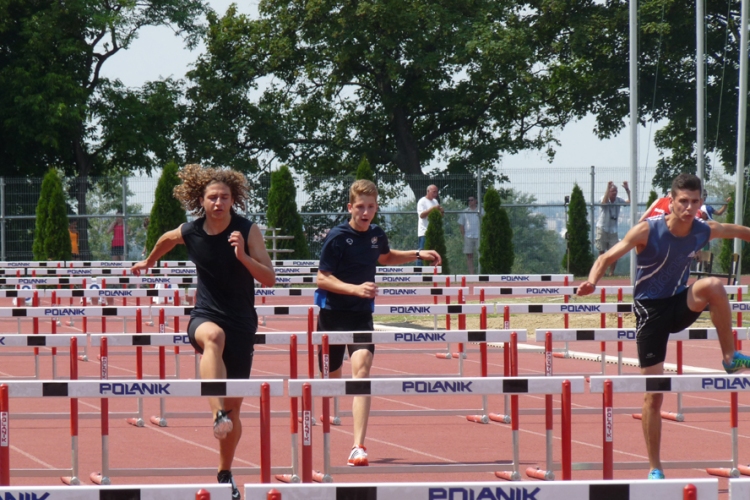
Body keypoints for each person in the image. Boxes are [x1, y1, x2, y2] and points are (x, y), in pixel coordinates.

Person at [577, 173, 750, 481]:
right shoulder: (647, 230)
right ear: (671, 202)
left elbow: (740, 231)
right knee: (654, 395)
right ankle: (655, 467)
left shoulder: (703, 229)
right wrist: (592, 281)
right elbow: (606, 256)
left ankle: (729, 357)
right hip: (650, 312)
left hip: (678, 303)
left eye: (695, 202)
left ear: (701, 203)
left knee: (713, 286)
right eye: (683, 201)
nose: (689, 207)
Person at [131, 164, 275, 499]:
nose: (219, 202)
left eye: (225, 197)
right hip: (205, 315)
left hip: (241, 321)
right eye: (213, 197)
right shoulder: (192, 230)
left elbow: (269, 278)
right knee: (213, 338)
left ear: (233, 199)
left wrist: (242, 255)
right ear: (201, 200)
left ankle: (225, 473)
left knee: (237, 408)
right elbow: (168, 238)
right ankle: (216, 413)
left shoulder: (248, 230)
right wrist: (149, 261)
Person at [316, 179, 441, 467]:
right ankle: (324, 407)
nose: (365, 212)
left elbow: (384, 257)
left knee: (362, 371)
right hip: (332, 313)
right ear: (350, 207)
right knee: (332, 378)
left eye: (371, 207)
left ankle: (358, 446)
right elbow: (322, 278)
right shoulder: (337, 237)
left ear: (376, 208)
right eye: (360, 206)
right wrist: (355, 288)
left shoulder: (375, 234)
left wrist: (416, 254)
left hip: (360, 314)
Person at [595, 181, 630, 276]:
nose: (614, 193)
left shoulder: (618, 200)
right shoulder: (604, 197)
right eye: (612, 191)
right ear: (609, 191)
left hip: (613, 229)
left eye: (616, 191)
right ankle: (601, 271)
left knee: (614, 252)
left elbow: (629, 202)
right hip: (602, 227)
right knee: (601, 251)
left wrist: (627, 189)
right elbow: (604, 203)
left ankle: (611, 272)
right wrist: (607, 187)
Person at [416, 184, 443, 265]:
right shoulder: (422, 201)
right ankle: (418, 273)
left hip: (433, 232)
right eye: (434, 192)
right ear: (428, 191)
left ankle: (430, 272)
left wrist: (441, 212)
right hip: (424, 231)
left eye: (437, 192)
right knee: (422, 253)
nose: (436, 194)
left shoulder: (435, 201)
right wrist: (432, 209)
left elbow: (439, 215)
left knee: (433, 254)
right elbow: (421, 215)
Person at [457, 196, 481, 274]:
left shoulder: (481, 210)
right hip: (468, 236)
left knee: (481, 255)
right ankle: (472, 274)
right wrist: (464, 235)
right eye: (469, 200)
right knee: (469, 256)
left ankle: (481, 272)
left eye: (472, 200)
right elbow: (461, 224)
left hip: (479, 236)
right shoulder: (465, 211)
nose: (470, 202)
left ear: (476, 201)